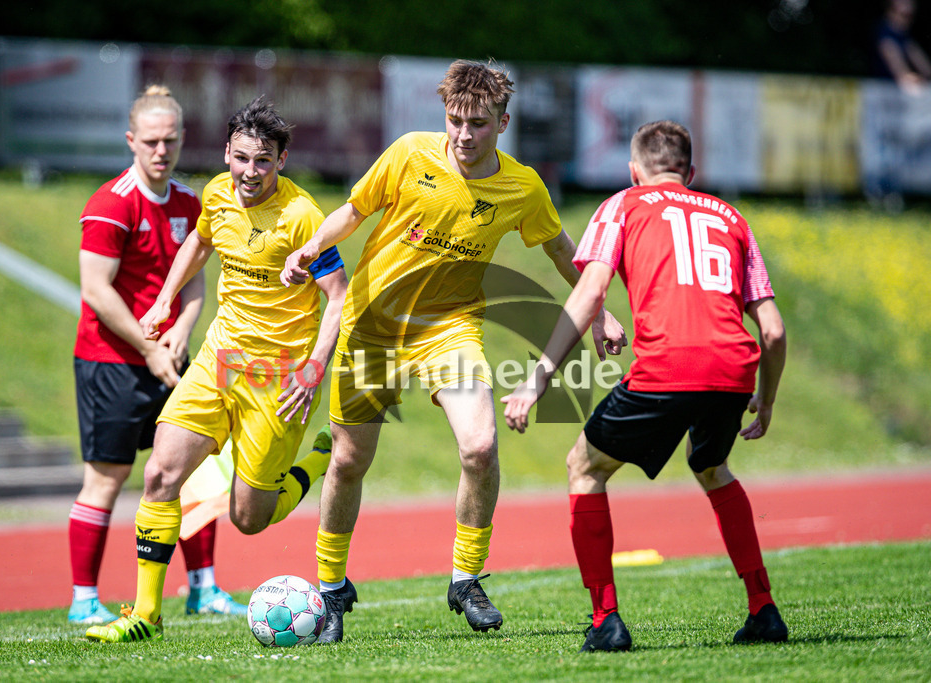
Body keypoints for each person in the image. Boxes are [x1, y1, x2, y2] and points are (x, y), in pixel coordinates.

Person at [280, 59, 626, 643]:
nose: (464, 135)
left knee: (481, 446)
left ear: (503, 123)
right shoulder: (409, 153)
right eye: (455, 121)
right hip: (373, 325)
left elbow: (561, 249)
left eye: (478, 124)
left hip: (450, 328)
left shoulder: (522, 187)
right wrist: (311, 246)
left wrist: (601, 309)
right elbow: (353, 211)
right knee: (348, 460)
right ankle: (332, 589)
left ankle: (466, 578)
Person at [502, 120, 789, 652]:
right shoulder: (732, 218)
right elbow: (771, 330)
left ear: (634, 171)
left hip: (668, 366)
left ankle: (605, 621)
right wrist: (766, 401)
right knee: (711, 467)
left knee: (584, 467)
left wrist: (537, 378)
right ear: (690, 172)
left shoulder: (623, 205)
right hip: (733, 369)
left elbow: (590, 293)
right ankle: (763, 608)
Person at [85, 96, 347, 643]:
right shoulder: (216, 194)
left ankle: (318, 460)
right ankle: (146, 616)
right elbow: (200, 241)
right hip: (219, 361)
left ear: (281, 161)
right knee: (160, 474)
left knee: (249, 519)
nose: (250, 172)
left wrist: (313, 369)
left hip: (279, 380)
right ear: (227, 152)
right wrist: (165, 299)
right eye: (242, 158)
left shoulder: (303, 217)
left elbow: (340, 297)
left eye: (263, 161)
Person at [69, 85, 247, 624]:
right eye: (150, 141)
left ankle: (203, 589)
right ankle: (84, 600)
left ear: (183, 138)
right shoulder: (111, 203)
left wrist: (183, 331)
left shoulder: (191, 202)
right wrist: (148, 348)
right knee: (107, 477)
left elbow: (195, 280)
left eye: (170, 140)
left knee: (189, 471)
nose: (161, 151)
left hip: (170, 358)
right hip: (111, 361)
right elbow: (96, 290)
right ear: (131, 140)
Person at [873, 0, 931, 95]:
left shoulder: (904, 36)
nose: (908, 20)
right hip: (882, 92)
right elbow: (900, 72)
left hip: (895, 92)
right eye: (904, 15)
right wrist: (911, 79)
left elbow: (922, 63)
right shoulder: (885, 35)